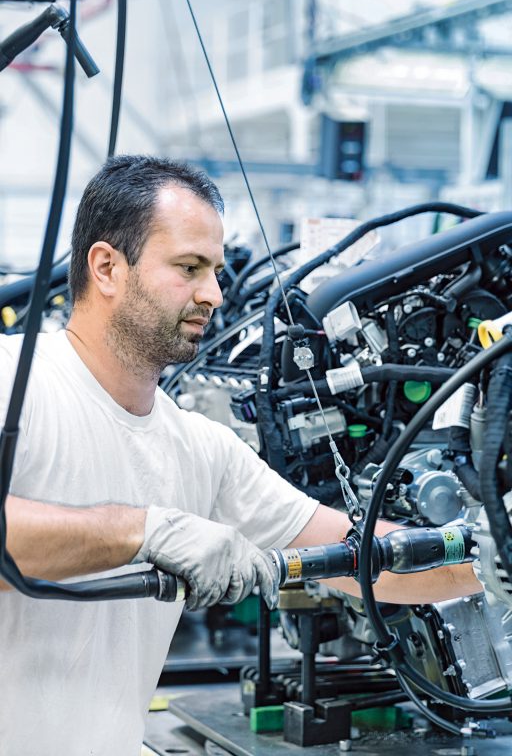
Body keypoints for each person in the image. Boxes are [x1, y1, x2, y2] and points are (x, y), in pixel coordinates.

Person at [0, 155, 482, 756]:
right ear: (106, 268)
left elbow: (361, 558)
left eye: (216, 270)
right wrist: (144, 532)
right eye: (188, 268)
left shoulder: (200, 448)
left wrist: (489, 557)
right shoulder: (14, 381)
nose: (214, 293)